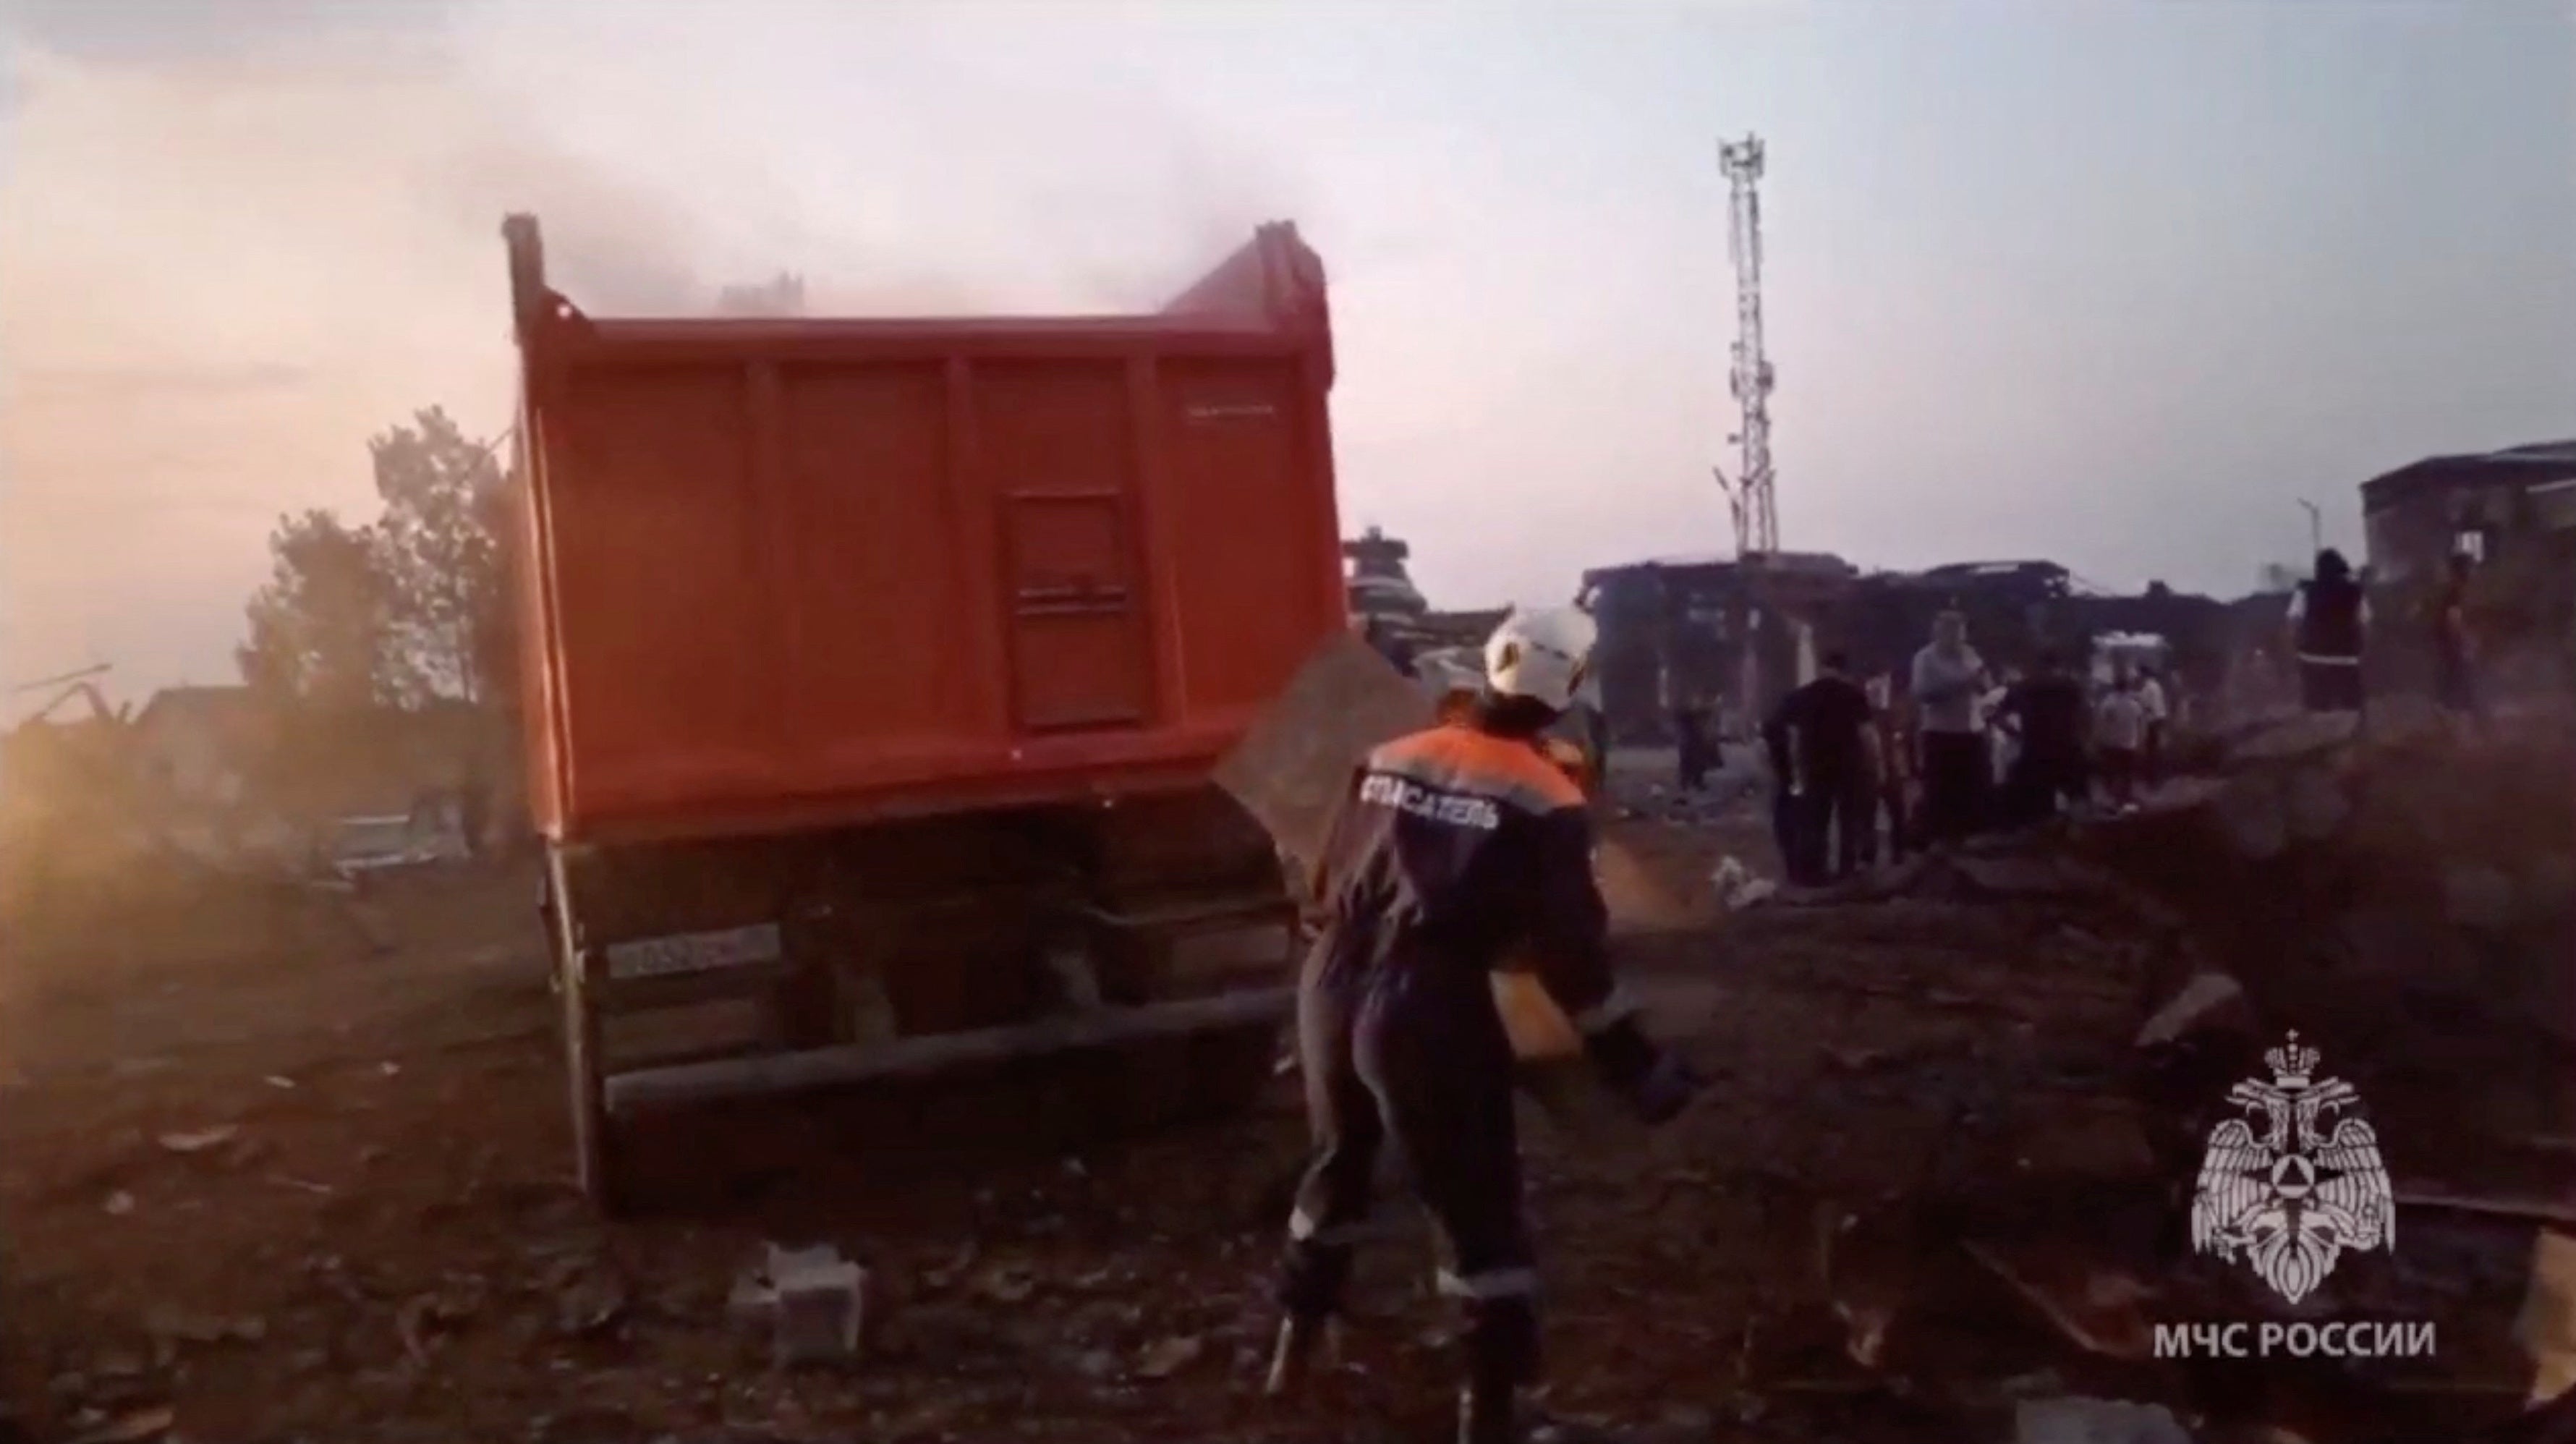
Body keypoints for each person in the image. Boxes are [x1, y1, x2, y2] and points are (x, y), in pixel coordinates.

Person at [1264, 606, 1701, 1444]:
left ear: (1490, 664)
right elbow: (1573, 963)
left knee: (1338, 1163)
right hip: (1427, 1001)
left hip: (1331, 979)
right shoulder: (1547, 798)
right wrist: (1634, 1065)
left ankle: (1292, 1351)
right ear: (1567, 689)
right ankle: (1493, 1415)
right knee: (1475, 1205)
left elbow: (1324, 875)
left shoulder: (1390, 755)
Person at [1773, 652, 1878, 883]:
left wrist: (1791, 767)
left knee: (1815, 820)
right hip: (1849, 765)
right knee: (1848, 820)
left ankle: (1814, 871)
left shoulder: (1802, 695)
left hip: (1815, 764)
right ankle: (1846, 869)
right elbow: (1867, 735)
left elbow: (1786, 730)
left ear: (1821, 667)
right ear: (1844, 670)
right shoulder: (1853, 695)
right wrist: (1873, 765)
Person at [1908, 610, 1989, 843]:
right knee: (1941, 793)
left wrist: (1983, 684)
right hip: (1941, 733)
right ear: (1939, 632)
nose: (1957, 636)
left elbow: (1984, 687)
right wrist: (1962, 683)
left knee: (1974, 791)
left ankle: (1970, 841)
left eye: (1960, 631)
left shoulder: (1971, 655)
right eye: (1951, 630)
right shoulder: (1925, 658)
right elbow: (1923, 693)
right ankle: (1939, 845)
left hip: (1972, 732)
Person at [1994, 649, 2089, 827]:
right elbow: (2085, 715)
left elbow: (1997, 715)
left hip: (2035, 752)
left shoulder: (2023, 687)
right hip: (2068, 750)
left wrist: (2015, 733)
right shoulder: (2070, 686)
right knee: (2078, 804)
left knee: (2036, 813)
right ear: (2058, 665)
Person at [2284, 548, 2369, 713]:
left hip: (2312, 658)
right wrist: (2362, 650)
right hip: (2347, 658)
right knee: (2350, 709)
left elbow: (2293, 622)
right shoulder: (2355, 592)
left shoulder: (2305, 590)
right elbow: (2365, 624)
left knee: (2317, 709)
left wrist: (2295, 648)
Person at [2431, 551, 2483, 729]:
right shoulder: (2454, 592)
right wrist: (2464, 642)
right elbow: (2453, 619)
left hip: (2450, 646)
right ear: (2464, 570)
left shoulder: (2453, 591)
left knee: (2458, 684)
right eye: (2472, 567)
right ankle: (2460, 719)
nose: (2475, 571)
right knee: (2463, 684)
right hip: (2453, 646)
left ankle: (2454, 715)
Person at [2094, 670, 2148, 810]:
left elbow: (2101, 723)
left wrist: (2099, 740)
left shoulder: (2108, 703)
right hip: (2129, 744)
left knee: (2111, 773)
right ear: (2127, 687)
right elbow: (2141, 723)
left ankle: (2112, 802)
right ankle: (2125, 802)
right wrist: (2141, 742)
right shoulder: (2134, 704)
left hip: (2111, 744)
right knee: (2126, 774)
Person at [2135, 666, 2170, 790]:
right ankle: (2158, 778)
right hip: (2159, 718)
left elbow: (2145, 704)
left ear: (2143, 674)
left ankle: (2153, 781)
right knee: (2157, 749)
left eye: (2139, 674)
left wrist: (2136, 698)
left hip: (2153, 720)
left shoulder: (2148, 687)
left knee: (2152, 751)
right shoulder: (2156, 685)